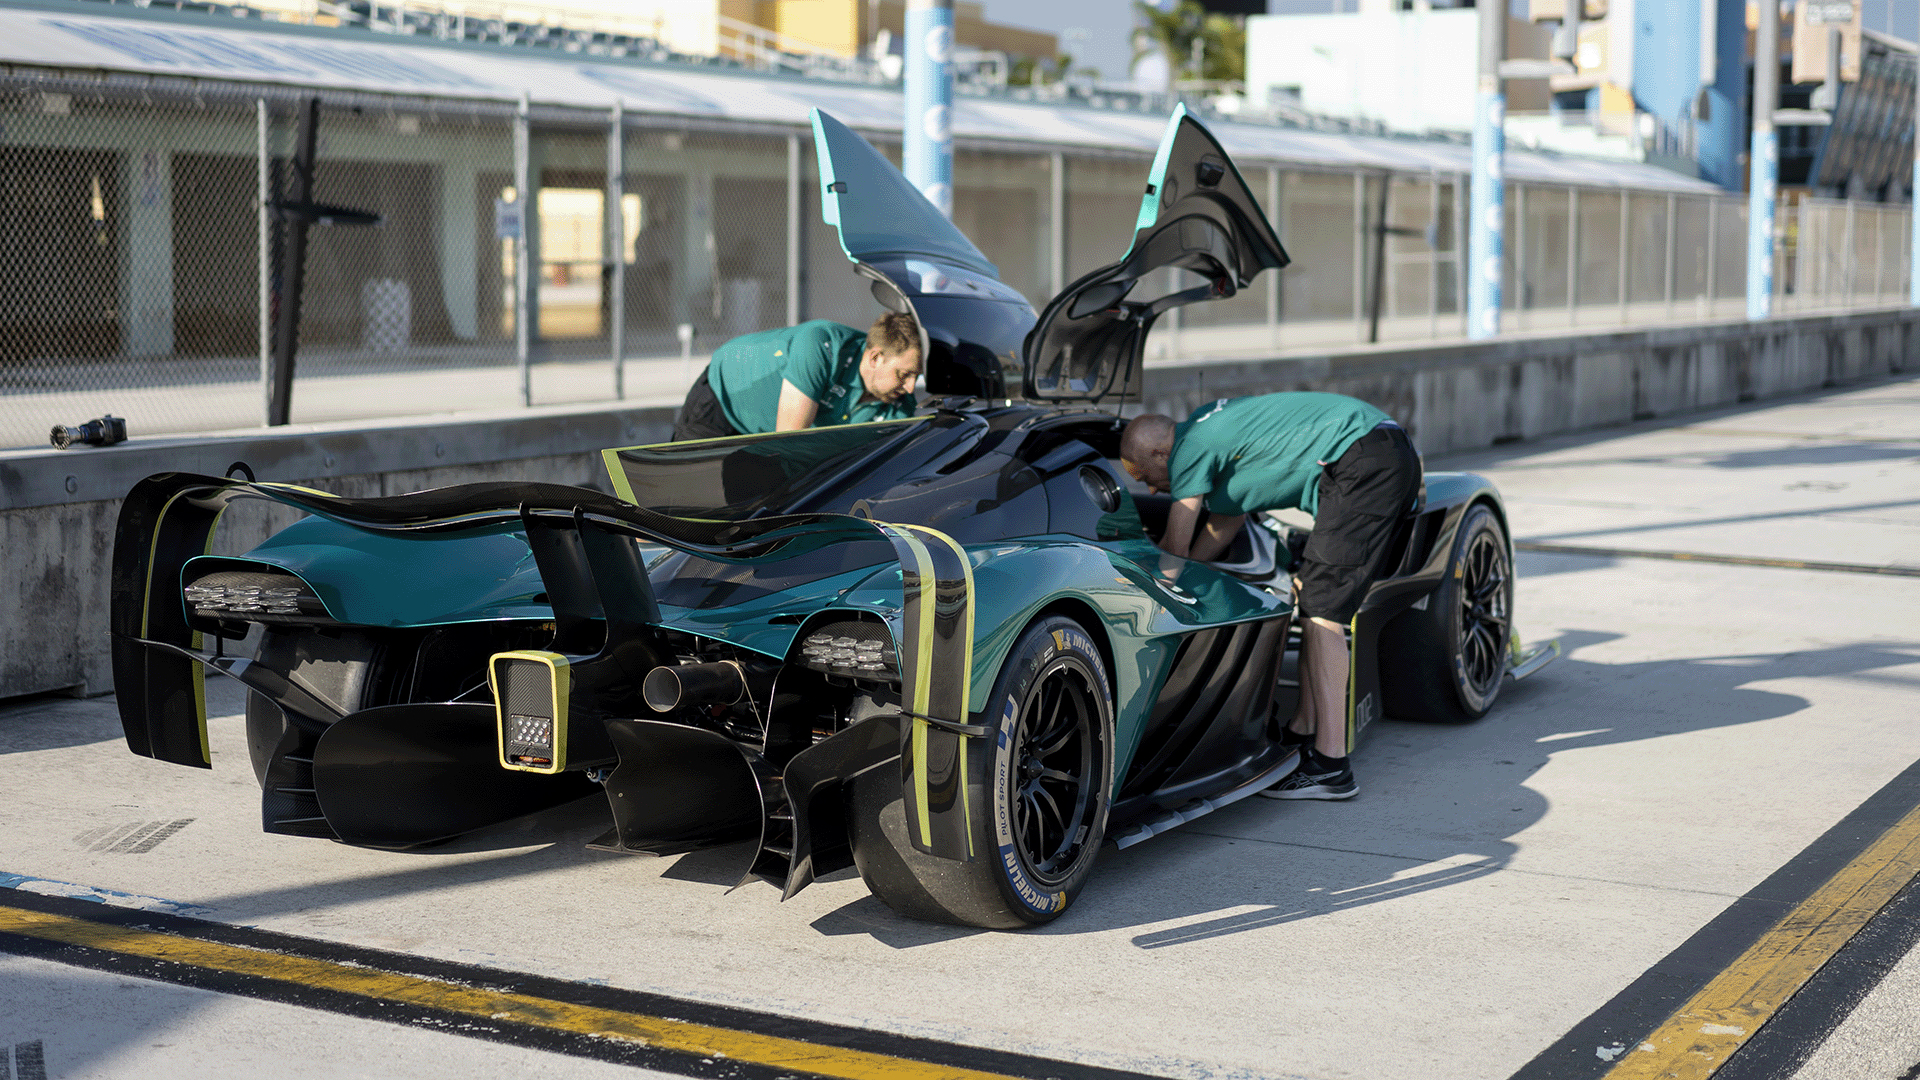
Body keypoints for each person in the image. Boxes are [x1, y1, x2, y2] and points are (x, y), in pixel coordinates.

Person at [1118, 392, 1422, 801]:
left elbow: (1172, 553)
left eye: (1142, 476)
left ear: (1160, 453)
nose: (1151, 490)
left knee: (1323, 613)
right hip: (1377, 451)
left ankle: (1331, 767)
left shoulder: (1189, 447)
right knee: (1313, 600)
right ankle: (1303, 731)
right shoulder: (1211, 429)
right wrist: (1197, 571)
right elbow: (1225, 523)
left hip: (1359, 459)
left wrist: (1146, 583)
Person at [673, 313, 922, 441]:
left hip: (763, 438)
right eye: (904, 374)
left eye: (917, 376)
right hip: (725, 398)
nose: (911, 387)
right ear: (875, 358)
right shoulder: (821, 346)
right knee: (684, 506)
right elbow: (789, 445)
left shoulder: (900, 404)